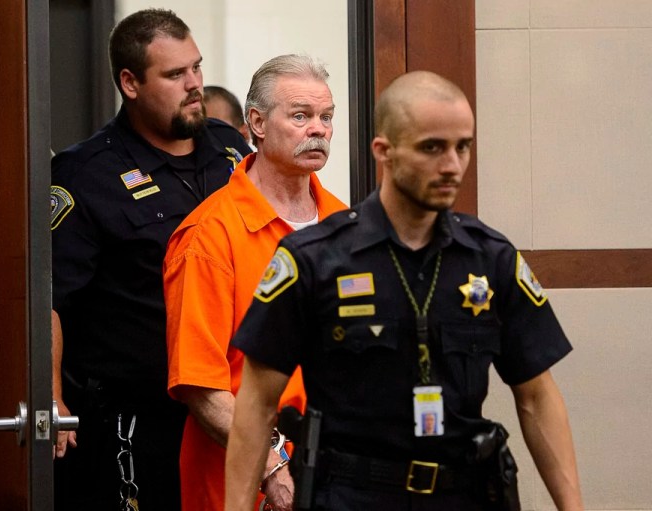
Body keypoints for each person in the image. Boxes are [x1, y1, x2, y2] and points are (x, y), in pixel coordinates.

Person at [225, 71, 584, 510]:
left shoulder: (490, 259)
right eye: (432, 147)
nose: (451, 164)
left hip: (463, 494)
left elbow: (536, 396)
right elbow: (257, 405)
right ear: (385, 152)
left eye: (462, 147)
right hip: (353, 496)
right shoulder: (315, 260)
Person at [50, 8, 252, 511]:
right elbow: (49, 298)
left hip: (229, 403)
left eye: (197, 68)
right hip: (138, 413)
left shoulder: (230, 149)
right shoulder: (85, 172)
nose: (194, 85)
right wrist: (51, 397)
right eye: (175, 74)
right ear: (130, 82)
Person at [164, 54, 347, 511]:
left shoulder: (346, 225)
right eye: (301, 116)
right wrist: (272, 465)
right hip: (246, 482)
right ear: (257, 124)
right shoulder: (211, 233)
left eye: (326, 117)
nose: (319, 130)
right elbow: (200, 386)